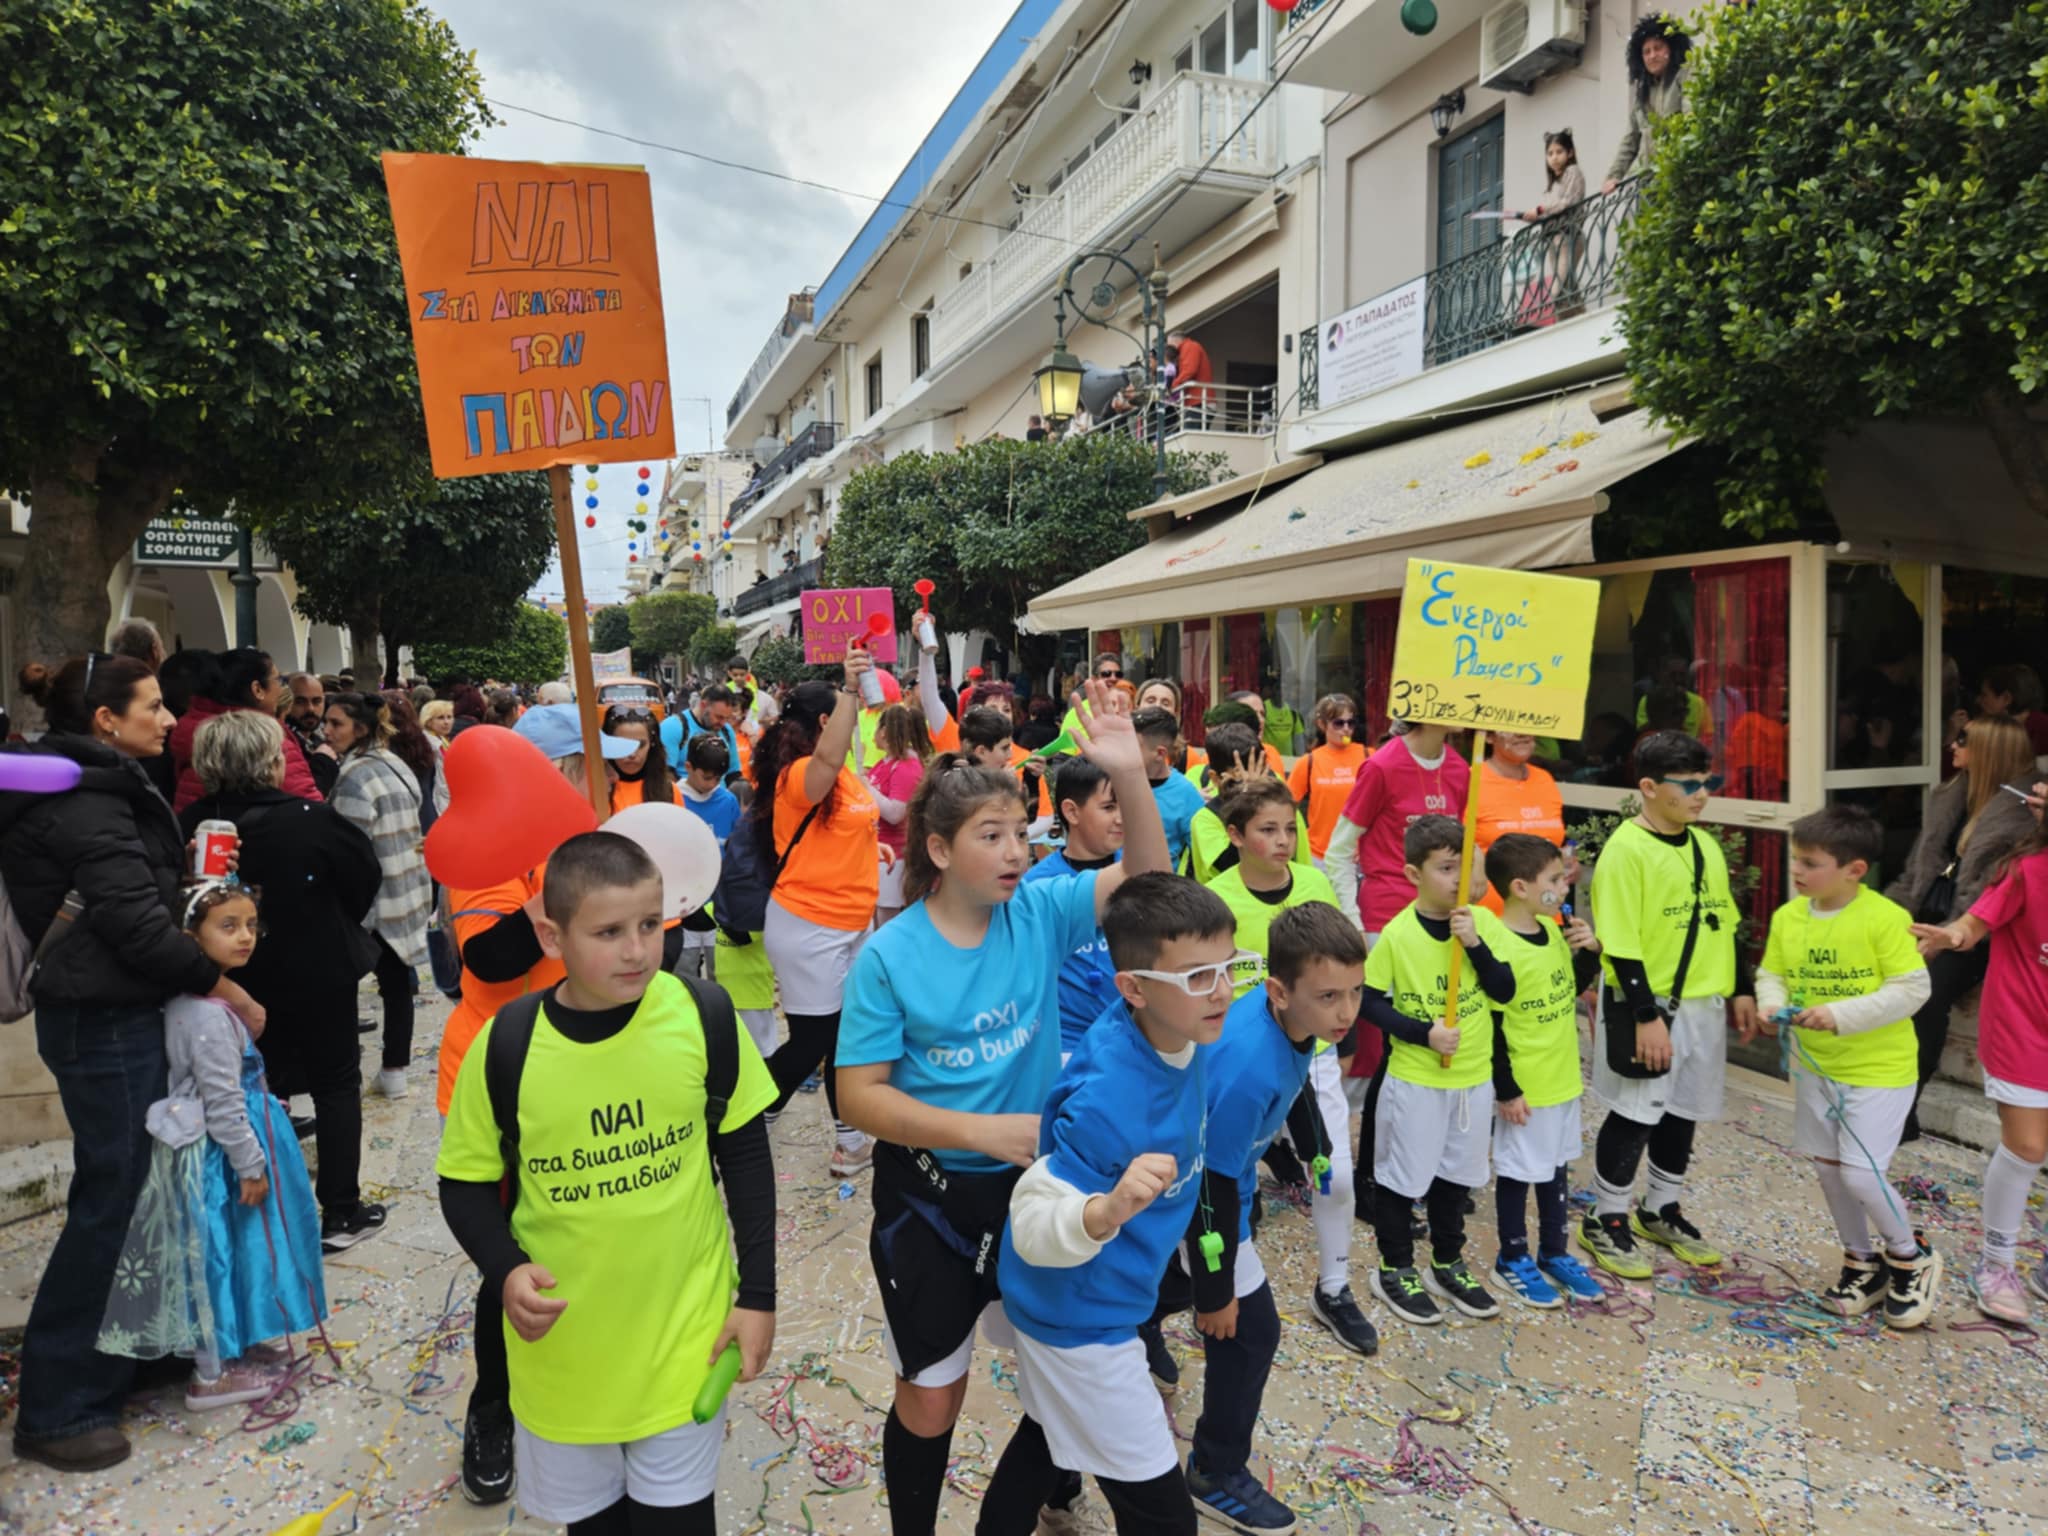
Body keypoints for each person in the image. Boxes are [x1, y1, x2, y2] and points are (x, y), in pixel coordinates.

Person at [835, 680, 1170, 1536]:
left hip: (1035, 1192)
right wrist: (978, 1131)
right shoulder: (890, 956)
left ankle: (1045, 1490)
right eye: (992, 836)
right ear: (939, 850)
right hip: (931, 1203)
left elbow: (1152, 884)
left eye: (1023, 831)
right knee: (932, 1397)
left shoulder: (1043, 912)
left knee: (1063, 1367)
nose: (1018, 850)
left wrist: (1131, 775)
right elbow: (857, 1096)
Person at [436, 832, 779, 1536]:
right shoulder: (506, 1046)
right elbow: (465, 1184)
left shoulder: (703, 1016)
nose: (637, 951)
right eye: (609, 932)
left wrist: (759, 1296)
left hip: (684, 1349)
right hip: (565, 1368)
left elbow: (746, 1159)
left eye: (650, 924)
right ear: (551, 936)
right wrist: (504, 1269)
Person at [0, 656, 266, 1472]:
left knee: (142, 1193)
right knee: (111, 1203)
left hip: (114, 1014)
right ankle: (58, 1404)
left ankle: (126, 1353)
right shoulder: (84, 801)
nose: (168, 717)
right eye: (151, 705)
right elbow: (138, 929)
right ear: (106, 720)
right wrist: (225, 985)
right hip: (102, 1023)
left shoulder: (103, 784)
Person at [973, 874, 1230, 1536]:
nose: (1222, 990)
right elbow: (1034, 1219)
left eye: (1230, 967)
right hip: (1079, 1315)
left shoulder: (1179, 1027)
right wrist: (1104, 1212)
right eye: (1198, 976)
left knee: (1045, 1437)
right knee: (1164, 1517)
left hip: (1099, 1298)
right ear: (1133, 988)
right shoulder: (1110, 1097)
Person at [1165, 903, 1366, 1533]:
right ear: (1280, 991)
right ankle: (1214, 1471)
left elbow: (1297, 1073)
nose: (1346, 1012)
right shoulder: (1248, 1067)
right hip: (1188, 1194)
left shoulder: (1292, 1021)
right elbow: (1210, 1179)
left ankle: (1136, 1328)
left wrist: (1315, 1148)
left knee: (1172, 1286)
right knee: (1250, 1333)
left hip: (1218, 1185)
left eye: (1356, 992)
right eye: (1329, 996)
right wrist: (1216, 1291)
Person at [97, 881, 328, 1410]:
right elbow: (222, 1100)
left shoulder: (199, 1003)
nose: (245, 936)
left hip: (224, 1148)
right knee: (213, 1256)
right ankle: (210, 1373)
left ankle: (237, 1345)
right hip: (221, 1156)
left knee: (238, 1248)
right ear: (190, 939)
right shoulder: (206, 1016)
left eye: (250, 925)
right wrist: (251, 1164)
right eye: (228, 926)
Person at [180, 708, 383, 1265]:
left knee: (249, 1086)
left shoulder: (191, 824)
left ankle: (261, 1206)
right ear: (272, 762)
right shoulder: (312, 820)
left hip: (230, 980)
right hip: (316, 968)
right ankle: (340, 1208)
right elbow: (363, 875)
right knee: (335, 1083)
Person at [1204, 777, 1376, 1356]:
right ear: (1235, 835)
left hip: (1310, 1054)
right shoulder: (1216, 899)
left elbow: (1340, 967)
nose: (1283, 841)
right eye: (1267, 829)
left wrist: (1344, 1032)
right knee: (1232, 1178)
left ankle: (1335, 1286)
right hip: (1242, 1062)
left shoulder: (1315, 883)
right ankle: (1219, 1285)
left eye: (1289, 829)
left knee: (1335, 1174)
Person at [1751, 808, 1941, 1328]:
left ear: (1854, 870)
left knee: (1861, 1173)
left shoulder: (1884, 918)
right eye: (1796, 859)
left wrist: (1839, 1015)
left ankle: (1911, 1257)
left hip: (1879, 1069)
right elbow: (1772, 973)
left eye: (1810, 863)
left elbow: (1912, 990)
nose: (1797, 871)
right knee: (1830, 1172)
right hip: (1818, 1069)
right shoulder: (1789, 917)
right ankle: (1862, 1263)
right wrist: (1771, 1003)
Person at [1581, 730, 1758, 1280]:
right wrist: (1646, 1017)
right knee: (1636, 1112)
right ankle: (1606, 1215)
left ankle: (1660, 1207)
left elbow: (1724, 921)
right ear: (1649, 787)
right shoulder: (1625, 851)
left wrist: (1742, 987)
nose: (1701, 794)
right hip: (1650, 1005)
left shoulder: (1705, 846)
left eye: (1708, 782)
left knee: (1682, 1109)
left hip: (1703, 1003)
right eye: (1688, 784)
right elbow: (1620, 943)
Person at [1360, 816, 1516, 1326]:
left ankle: (1447, 1262)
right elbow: (1369, 1002)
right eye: (1446, 868)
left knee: (1457, 1179)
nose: (1458, 879)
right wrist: (1421, 1032)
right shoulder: (1399, 935)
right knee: (1401, 1180)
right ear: (1414, 874)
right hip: (1418, 1081)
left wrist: (1475, 944)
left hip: (1472, 1080)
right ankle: (1394, 1268)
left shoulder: (1480, 923)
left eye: (1464, 867)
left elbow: (1504, 990)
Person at [1912, 782, 2048, 1323]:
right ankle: (1996, 1264)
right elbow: (1975, 924)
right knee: (2028, 1146)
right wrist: (1952, 935)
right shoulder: (2025, 869)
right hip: (2022, 1024)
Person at [752, 661, 882, 1178]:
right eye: (847, 712)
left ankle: (844, 1140)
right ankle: (753, 1118)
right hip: (810, 925)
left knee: (842, 1036)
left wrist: (871, 850)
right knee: (815, 1042)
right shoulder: (802, 773)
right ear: (828, 722)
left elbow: (848, 825)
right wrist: (850, 687)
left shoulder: (843, 772)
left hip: (853, 922)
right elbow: (827, 760)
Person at [1885, 714, 2036, 1138]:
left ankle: (1903, 1112)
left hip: (1986, 929)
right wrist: (1885, 913)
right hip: (1930, 912)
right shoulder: (1951, 795)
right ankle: (1872, 1094)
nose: (1953, 745)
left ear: (1990, 751)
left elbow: (1998, 893)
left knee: (1926, 992)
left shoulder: (2025, 812)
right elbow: (1916, 869)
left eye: (1964, 739)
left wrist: (1951, 935)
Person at [1482, 834, 1607, 1308]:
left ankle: (1554, 1251)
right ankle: (1512, 1257)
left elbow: (1568, 989)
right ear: (1520, 887)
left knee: (1556, 1168)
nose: (1565, 885)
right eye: (1555, 879)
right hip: (1527, 1090)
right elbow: (1493, 1025)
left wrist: (1591, 952)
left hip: (1562, 1081)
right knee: (1518, 1173)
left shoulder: (1553, 932)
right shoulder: (1498, 944)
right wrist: (1507, 1089)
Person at [324, 691, 432, 1116]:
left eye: (336, 723)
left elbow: (348, 845)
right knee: (397, 983)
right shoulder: (394, 763)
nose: (327, 730)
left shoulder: (355, 775)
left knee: (347, 983)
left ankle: (348, 1075)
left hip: (374, 896)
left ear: (361, 729)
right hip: (406, 886)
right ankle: (395, 1070)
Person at [1025, 757, 1124, 1064]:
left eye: (1125, 805)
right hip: (1066, 1046)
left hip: (1132, 1037)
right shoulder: (1036, 886)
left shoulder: (1135, 870)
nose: (1121, 818)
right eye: (1109, 807)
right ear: (1071, 811)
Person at [170, 648, 324, 811]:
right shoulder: (268, 741)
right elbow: (310, 810)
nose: (281, 688)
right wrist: (324, 766)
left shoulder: (196, 733)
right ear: (258, 689)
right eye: (278, 680)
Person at [1471, 731, 1571, 917]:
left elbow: (1555, 842)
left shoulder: (1544, 779)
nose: (1522, 734)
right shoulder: (1470, 779)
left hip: (1547, 917)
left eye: (1527, 724)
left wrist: (1568, 861)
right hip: (1490, 919)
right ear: (1489, 736)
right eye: (1510, 726)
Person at [1604, 13, 1690, 191]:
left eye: (1658, 48)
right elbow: (1631, 139)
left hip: (1680, 177)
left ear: (1671, 49)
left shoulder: (1685, 74)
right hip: (1648, 186)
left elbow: (1691, 117)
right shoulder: (1642, 95)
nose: (1652, 55)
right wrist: (1614, 176)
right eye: (1646, 51)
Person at [1287, 694, 1368, 869]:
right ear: (1322, 725)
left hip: (1359, 856)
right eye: (1338, 723)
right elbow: (1285, 806)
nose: (1346, 729)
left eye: (1351, 723)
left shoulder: (1368, 756)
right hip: (1319, 855)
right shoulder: (1309, 762)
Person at [867, 703, 929, 927]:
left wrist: (866, 787)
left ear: (884, 731)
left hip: (894, 857)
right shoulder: (885, 762)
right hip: (876, 852)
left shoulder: (906, 767)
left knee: (887, 920)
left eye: (877, 728)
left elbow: (896, 813)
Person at [1131, 706, 1206, 872]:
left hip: (1157, 883)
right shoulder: (1109, 781)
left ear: (1160, 753)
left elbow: (1201, 856)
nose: (1123, 752)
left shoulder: (1186, 794)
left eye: (1132, 747)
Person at [603, 703, 676, 812]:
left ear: (652, 744)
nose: (632, 754)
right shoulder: (593, 790)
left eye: (640, 745)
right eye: (623, 744)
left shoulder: (670, 791)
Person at [662, 683, 741, 772]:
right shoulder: (673, 727)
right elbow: (665, 773)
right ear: (703, 705)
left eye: (727, 718)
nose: (723, 723)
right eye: (719, 717)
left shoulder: (727, 731)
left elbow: (733, 772)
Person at [283, 672, 338, 799]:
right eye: (300, 702)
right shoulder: (282, 744)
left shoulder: (323, 738)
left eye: (317, 701)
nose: (310, 709)